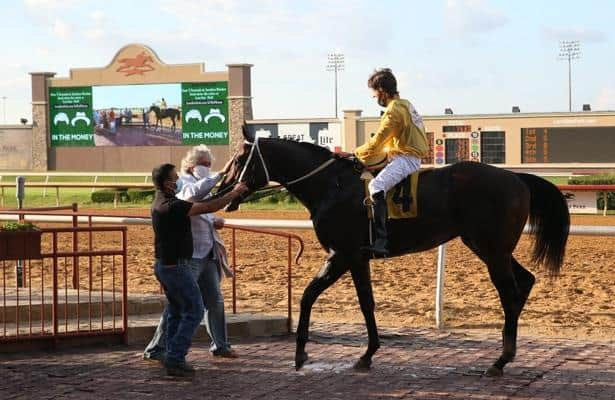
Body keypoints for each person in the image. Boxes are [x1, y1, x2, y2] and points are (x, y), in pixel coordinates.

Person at [150, 163, 246, 377]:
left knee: (176, 311)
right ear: (167, 183)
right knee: (194, 310)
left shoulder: (162, 201)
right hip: (175, 268)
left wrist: (222, 174)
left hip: (168, 266)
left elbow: (204, 207)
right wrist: (235, 193)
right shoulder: (170, 205)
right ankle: (175, 357)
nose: (179, 181)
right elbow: (208, 207)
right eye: (175, 178)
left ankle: (168, 353)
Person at [341, 68, 429, 256]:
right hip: (402, 155)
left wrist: (354, 154)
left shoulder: (393, 110)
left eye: (374, 94)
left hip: (406, 158)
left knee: (375, 186)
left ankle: (381, 240)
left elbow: (378, 140)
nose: (374, 98)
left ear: (381, 90)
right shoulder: (405, 104)